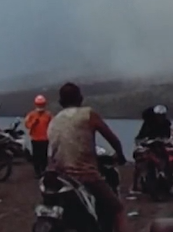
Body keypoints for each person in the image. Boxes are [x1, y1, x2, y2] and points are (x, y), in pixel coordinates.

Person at [48, 82, 128, 232]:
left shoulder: (54, 120)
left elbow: (52, 152)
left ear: (60, 102)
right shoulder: (88, 114)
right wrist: (121, 155)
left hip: (60, 179)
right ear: (81, 99)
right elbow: (112, 139)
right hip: (85, 176)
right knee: (118, 209)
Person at [24, 94, 53, 178]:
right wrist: (33, 123)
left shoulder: (48, 115)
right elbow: (27, 125)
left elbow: (52, 125)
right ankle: (37, 171)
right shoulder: (31, 115)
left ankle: (43, 171)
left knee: (44, 156)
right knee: (36, 156)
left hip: (44, 138)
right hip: (35, 138)